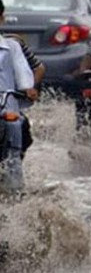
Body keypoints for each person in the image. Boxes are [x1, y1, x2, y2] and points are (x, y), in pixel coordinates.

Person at [0, 24, 34, 193]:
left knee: (17, 128)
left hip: (6, 108)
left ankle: (15, 190)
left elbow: (25, 77)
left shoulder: (12, 47)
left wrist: (28, 89)